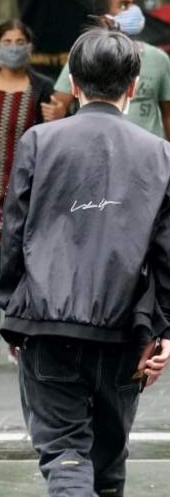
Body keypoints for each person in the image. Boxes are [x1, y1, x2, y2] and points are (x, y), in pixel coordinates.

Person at [0, 27, 170, 497]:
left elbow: (13, 234)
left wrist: (13, 311)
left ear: (77, 84)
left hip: (47, 326)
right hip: (126, 330)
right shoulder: (161, 155)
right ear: (132, 87)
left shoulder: (40, 142)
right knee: (107, 465)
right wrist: (166, 328)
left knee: (66, 458)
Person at [43, 0, 170, 192]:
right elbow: (59, 104)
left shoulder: (158, 59)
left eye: (133, 3)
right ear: (105, 18)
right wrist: (58, 112)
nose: (133, 10)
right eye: (123, 5)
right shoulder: (83, 56)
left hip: (149, 166)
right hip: (99, 166)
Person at [0, 19, 54, 365]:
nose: (14, 46)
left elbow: (56, 137)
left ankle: (16, 331)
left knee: (19, 261)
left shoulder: (42, 88)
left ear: (30, 47)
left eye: (21, 40)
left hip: (25, 190)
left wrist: (57, 118)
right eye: (7, 40)